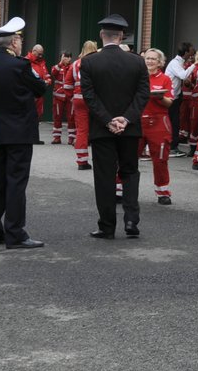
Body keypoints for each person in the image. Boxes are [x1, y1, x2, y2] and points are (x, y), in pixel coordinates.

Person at [0, 17, 46, 249]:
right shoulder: (20, 65)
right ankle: (15, 233)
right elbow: (41, 88)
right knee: (16, 183)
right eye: (19, 39)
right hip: (18, 132)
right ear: (14, 42)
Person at [80, 14, 150, 240]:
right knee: (130, 172)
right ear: (121, 36)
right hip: (130, 129)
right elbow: (143, 94)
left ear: (102, 35)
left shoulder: (89, 62)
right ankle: (131, 220)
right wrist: (126, 119)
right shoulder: (138, 61)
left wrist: (109, 120)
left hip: (102, 129)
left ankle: (107, 226)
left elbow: (89, 97)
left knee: (104, 176)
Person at [141, 48, 175, 205]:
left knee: (160, 159)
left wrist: (159, 97)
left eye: (153, 59)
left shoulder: (165, 79)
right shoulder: (137, 78)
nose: (149, 61)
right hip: (138, 121)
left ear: (160, 62)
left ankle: (162, 191)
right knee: (127, 157)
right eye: (147, 58)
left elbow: (169, 103)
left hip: (159, 123)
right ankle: (120, 188)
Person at [69, 41, 99, 169]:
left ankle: (82, 161)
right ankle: (99, 160)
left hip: (78, 99)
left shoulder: (75, 64)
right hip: (93, 99)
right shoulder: (96, 62)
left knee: (81, 130)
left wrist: (71, 96)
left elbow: (67, 84)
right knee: (98, 129)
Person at [165, 42, 194, 155]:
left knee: (175, 121)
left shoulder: (180, 62)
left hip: (175, 96)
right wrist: (194, 65)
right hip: (171, 98)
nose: (193, 52)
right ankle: (172, 147)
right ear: (186, 52)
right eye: (191, 50)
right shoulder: (175, 63)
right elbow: (183, 75)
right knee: (174, 122)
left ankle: (173, 146)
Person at [49, 52, 73, 144]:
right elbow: (53, 73)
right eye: (65, 57)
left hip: (69, 97)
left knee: (71, 117)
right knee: (57, 117)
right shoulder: (57, 67)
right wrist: (60, 63)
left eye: (69, 57)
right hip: (58, 97)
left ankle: (71, 138)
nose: (67, 59)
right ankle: (57, 137)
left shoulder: (72, 67)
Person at [26, 44, 49, 121]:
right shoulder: (26, 61)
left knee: (37, 117)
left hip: (39, 94)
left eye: (42, 54)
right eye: (39, 54)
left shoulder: (42, 63)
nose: (40, 56)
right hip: (29, 94)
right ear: (34, 51)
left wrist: (46, 81)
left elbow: (47, 77)